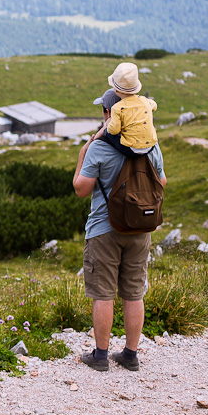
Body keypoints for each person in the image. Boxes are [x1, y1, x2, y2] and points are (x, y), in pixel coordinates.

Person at [73, 88, 167, 372]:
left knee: (103, 293)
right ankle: (129, 354)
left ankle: (101, 356)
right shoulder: (152, 145)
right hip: (140, 228)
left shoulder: (99, 148)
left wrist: (83, 152)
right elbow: (161, 183)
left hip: (104, 228)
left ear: (110, 114)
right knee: (133, 292)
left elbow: (81, 189)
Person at [103, 62, 158, 156]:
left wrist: (108, 125)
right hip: (150, 146)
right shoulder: (146, 101)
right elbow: (154, 105)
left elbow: (114, 131)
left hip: (130, 149)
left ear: (116, 90)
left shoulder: (117, 108)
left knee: (107, 133)